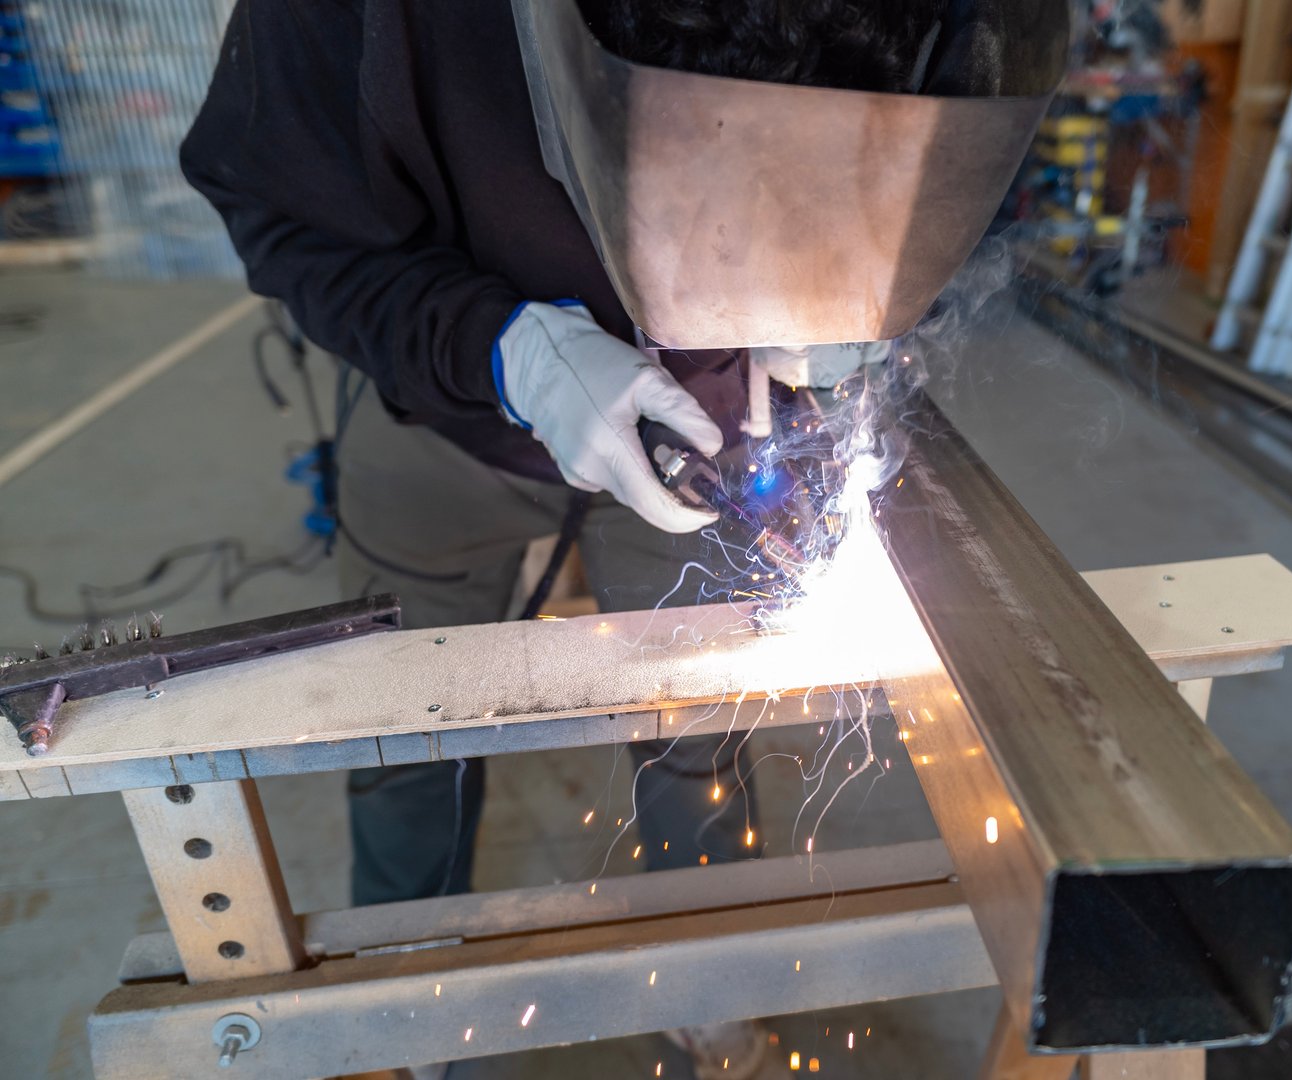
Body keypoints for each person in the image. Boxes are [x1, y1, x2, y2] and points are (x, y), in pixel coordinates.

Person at [181, 2, 973, 1076]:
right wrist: (501, 349)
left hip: (713, 430)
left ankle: (707, 974)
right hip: (442, 421)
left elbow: (954, 162)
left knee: (698, 732)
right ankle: (408, 984)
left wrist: (840, 300)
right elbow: (278, 212)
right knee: (403, 740)